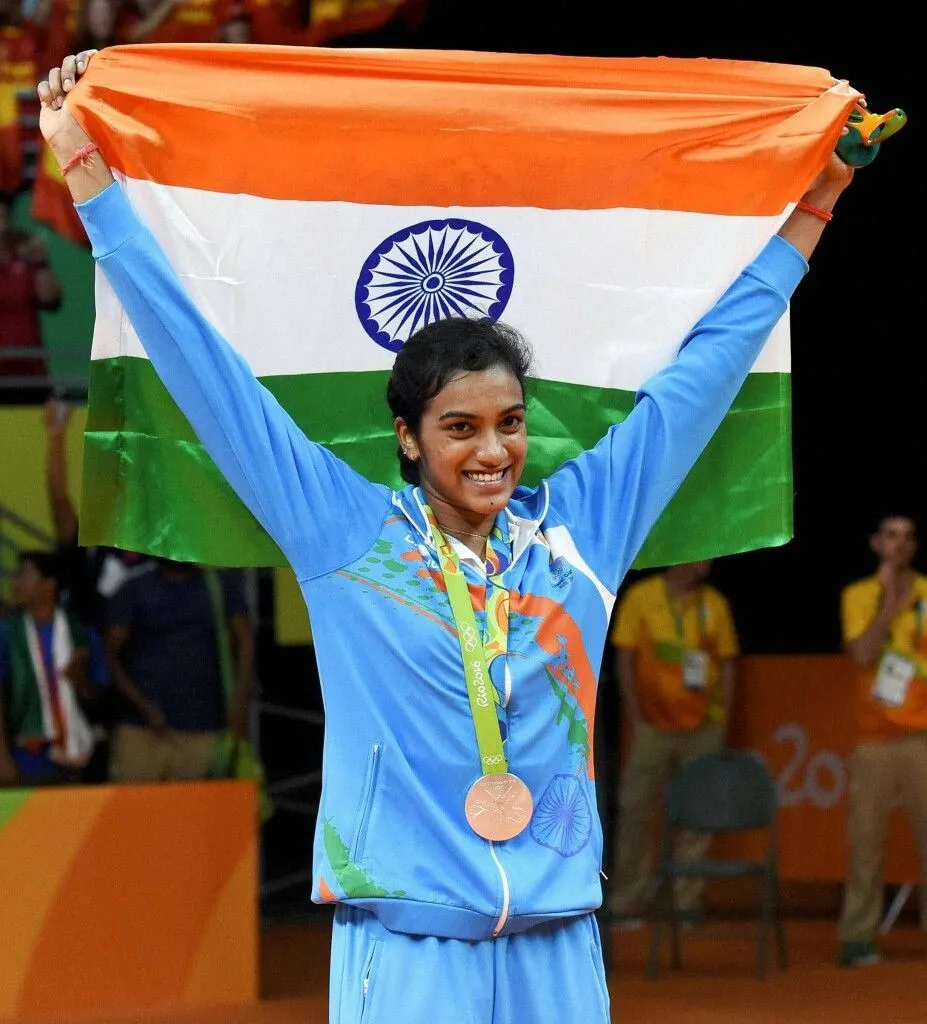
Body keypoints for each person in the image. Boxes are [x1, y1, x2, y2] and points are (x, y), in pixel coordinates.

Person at [37, 49, 865, 1023]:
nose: (492, 451)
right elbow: (203, 368)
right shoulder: (344, 529)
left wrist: (813, 208)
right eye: (461, 427)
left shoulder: (583, 531)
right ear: (409, 436)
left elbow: (705, 372)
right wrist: (91, 182)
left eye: (508, 423)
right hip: (408, 940)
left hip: (557, 941)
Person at [606, 560, 738, 926]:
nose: (710, 559)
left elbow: (726, 664)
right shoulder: (641, 597)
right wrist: (636, 716)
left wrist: (722, 718)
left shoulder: (715, 603)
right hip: (652, 727)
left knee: (697, 816)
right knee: (636, 811)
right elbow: (625, 659)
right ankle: (628, 901)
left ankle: (686, 903)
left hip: (702, 729)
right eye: (703, 553)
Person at [837, 515, 927, 968]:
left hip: (922, 739)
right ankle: (858, 939)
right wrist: (891, 605)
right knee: (866, 843)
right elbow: (863, 653)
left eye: (908, 536)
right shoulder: (857, 595)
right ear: (876, 543)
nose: (900, 543)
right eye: (891, 535)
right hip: (874, 739)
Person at [105, 557, 255, 783]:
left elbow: (245, 643)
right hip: (141, 731)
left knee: (197, 815)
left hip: (202, 728)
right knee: (135, 815)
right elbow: (109, 654)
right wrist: (142, 706)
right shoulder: (135, 588)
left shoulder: (219, 585)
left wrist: (239, 703)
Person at [0, 549, 107, 786]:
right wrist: (2, 757)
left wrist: (79, 679)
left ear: (49, 584)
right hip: (24, 757)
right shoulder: (7, 635)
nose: (15, 582)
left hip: (75, 755)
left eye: (24, 575)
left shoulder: (81, 634)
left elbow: (95, 695)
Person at [0, 194, 61, 403]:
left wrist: (40, 262)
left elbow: (51, 300)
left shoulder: (26, 257)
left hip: (31, 372)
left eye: (2, 215)